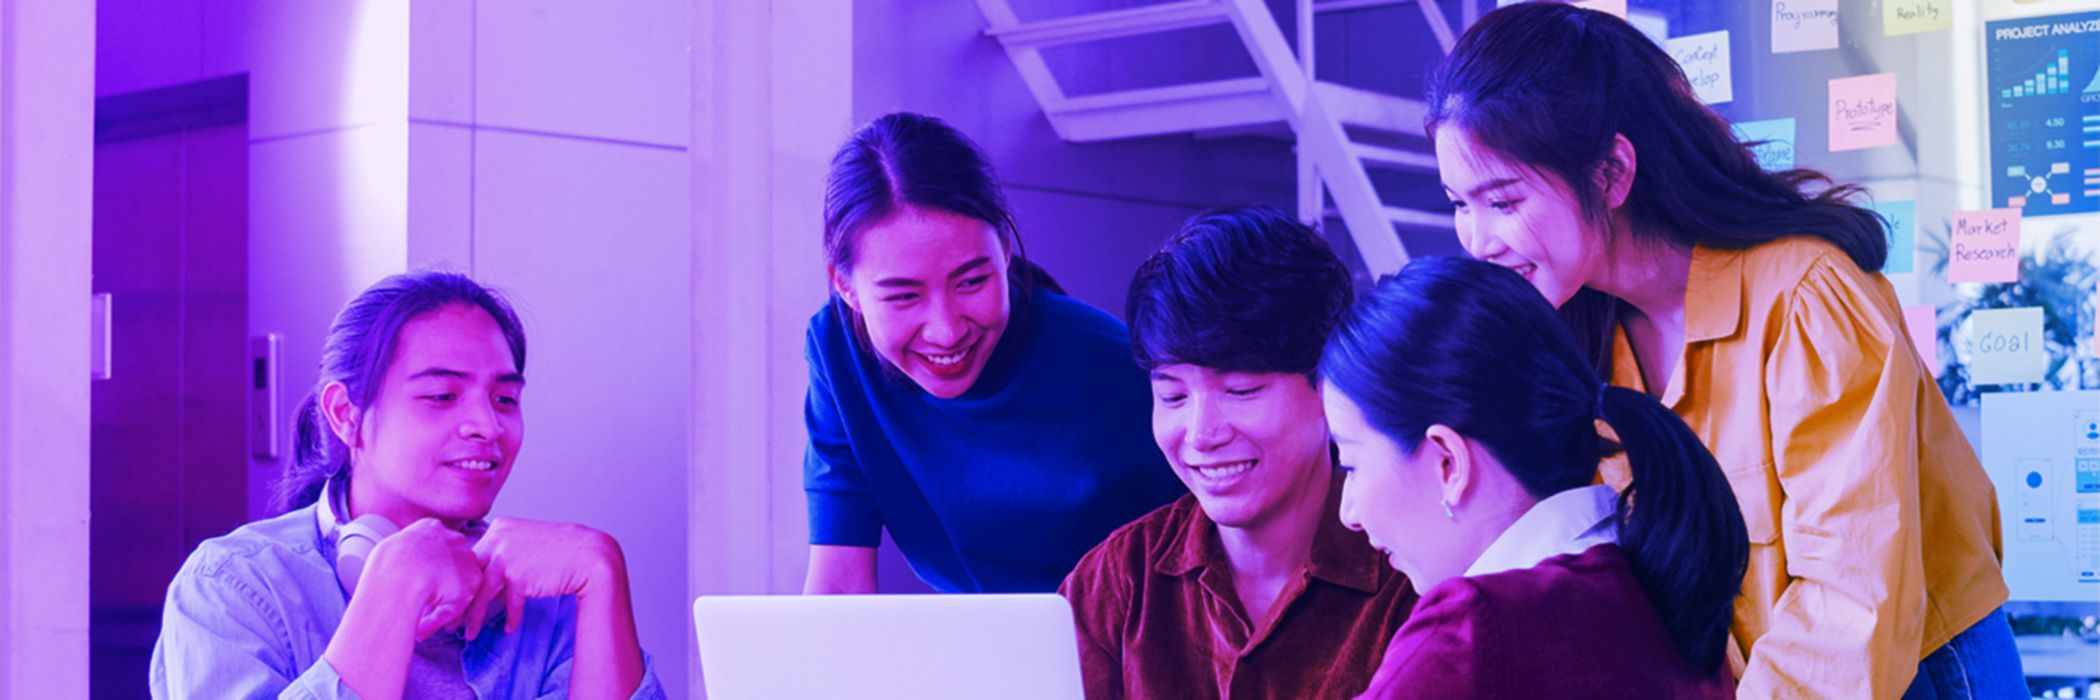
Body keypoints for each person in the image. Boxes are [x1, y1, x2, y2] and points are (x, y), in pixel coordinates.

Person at [1426, 4, 2020, 697]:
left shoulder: (1805, 297)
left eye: (1503, 202)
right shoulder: (1580, 331)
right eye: (1458, 204)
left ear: (1612, 172)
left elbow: (1851, 605)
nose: (1478, 240)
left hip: (1917, 674)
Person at [151, 271, 662, 699]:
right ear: (345, 414)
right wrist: (394, 588)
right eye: (442, 396)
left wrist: (602, 572)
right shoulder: (231, 587)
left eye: (505, 400)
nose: (487, 425)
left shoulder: (550, 598)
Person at [1322, 256, 1745, 698]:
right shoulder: (1667, 586)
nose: (1349, 513)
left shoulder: (1471, 634)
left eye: (1351, 464)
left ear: (1448, 462)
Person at [802, 112, 1185, 594]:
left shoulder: (1122, 367)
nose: (945, 332)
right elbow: (838, 589)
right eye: (904, 296)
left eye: (971, 282)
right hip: (976, 638)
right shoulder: (838, 351)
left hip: (1127, 635)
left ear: (1004, 250)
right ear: (845, 286)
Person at [1060, 208, 1416, 699]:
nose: (1201, 435)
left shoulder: (1413, 575)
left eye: (1241, 390)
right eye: (1173, 396)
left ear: (1328, 386)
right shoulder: (1117, 582)